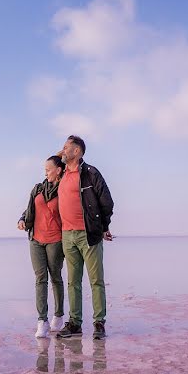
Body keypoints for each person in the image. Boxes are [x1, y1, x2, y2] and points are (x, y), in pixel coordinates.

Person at [54, 135, 114, 340]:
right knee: (73, 281)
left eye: (65, 147)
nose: (62, 151)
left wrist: (103, 226)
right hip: (67, 235)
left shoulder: (90, 173)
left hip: (88, 234)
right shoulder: (61, 174)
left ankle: (99, 323)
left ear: (77, 151)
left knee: (96, 280)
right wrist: (59, 154)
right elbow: (50, 165)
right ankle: (75, 324)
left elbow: (107, 201)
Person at [18, 155, 67, 338]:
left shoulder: (64, 190)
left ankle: (59, 316)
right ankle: (42, 321)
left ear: (58, 170)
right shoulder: (38, 189)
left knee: (55, 277)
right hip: (36, 240)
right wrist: (22, 219)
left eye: (48, 169)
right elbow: (30, 208)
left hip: (56, 240)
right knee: (40, 279)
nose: (45, 172)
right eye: (44, 169)